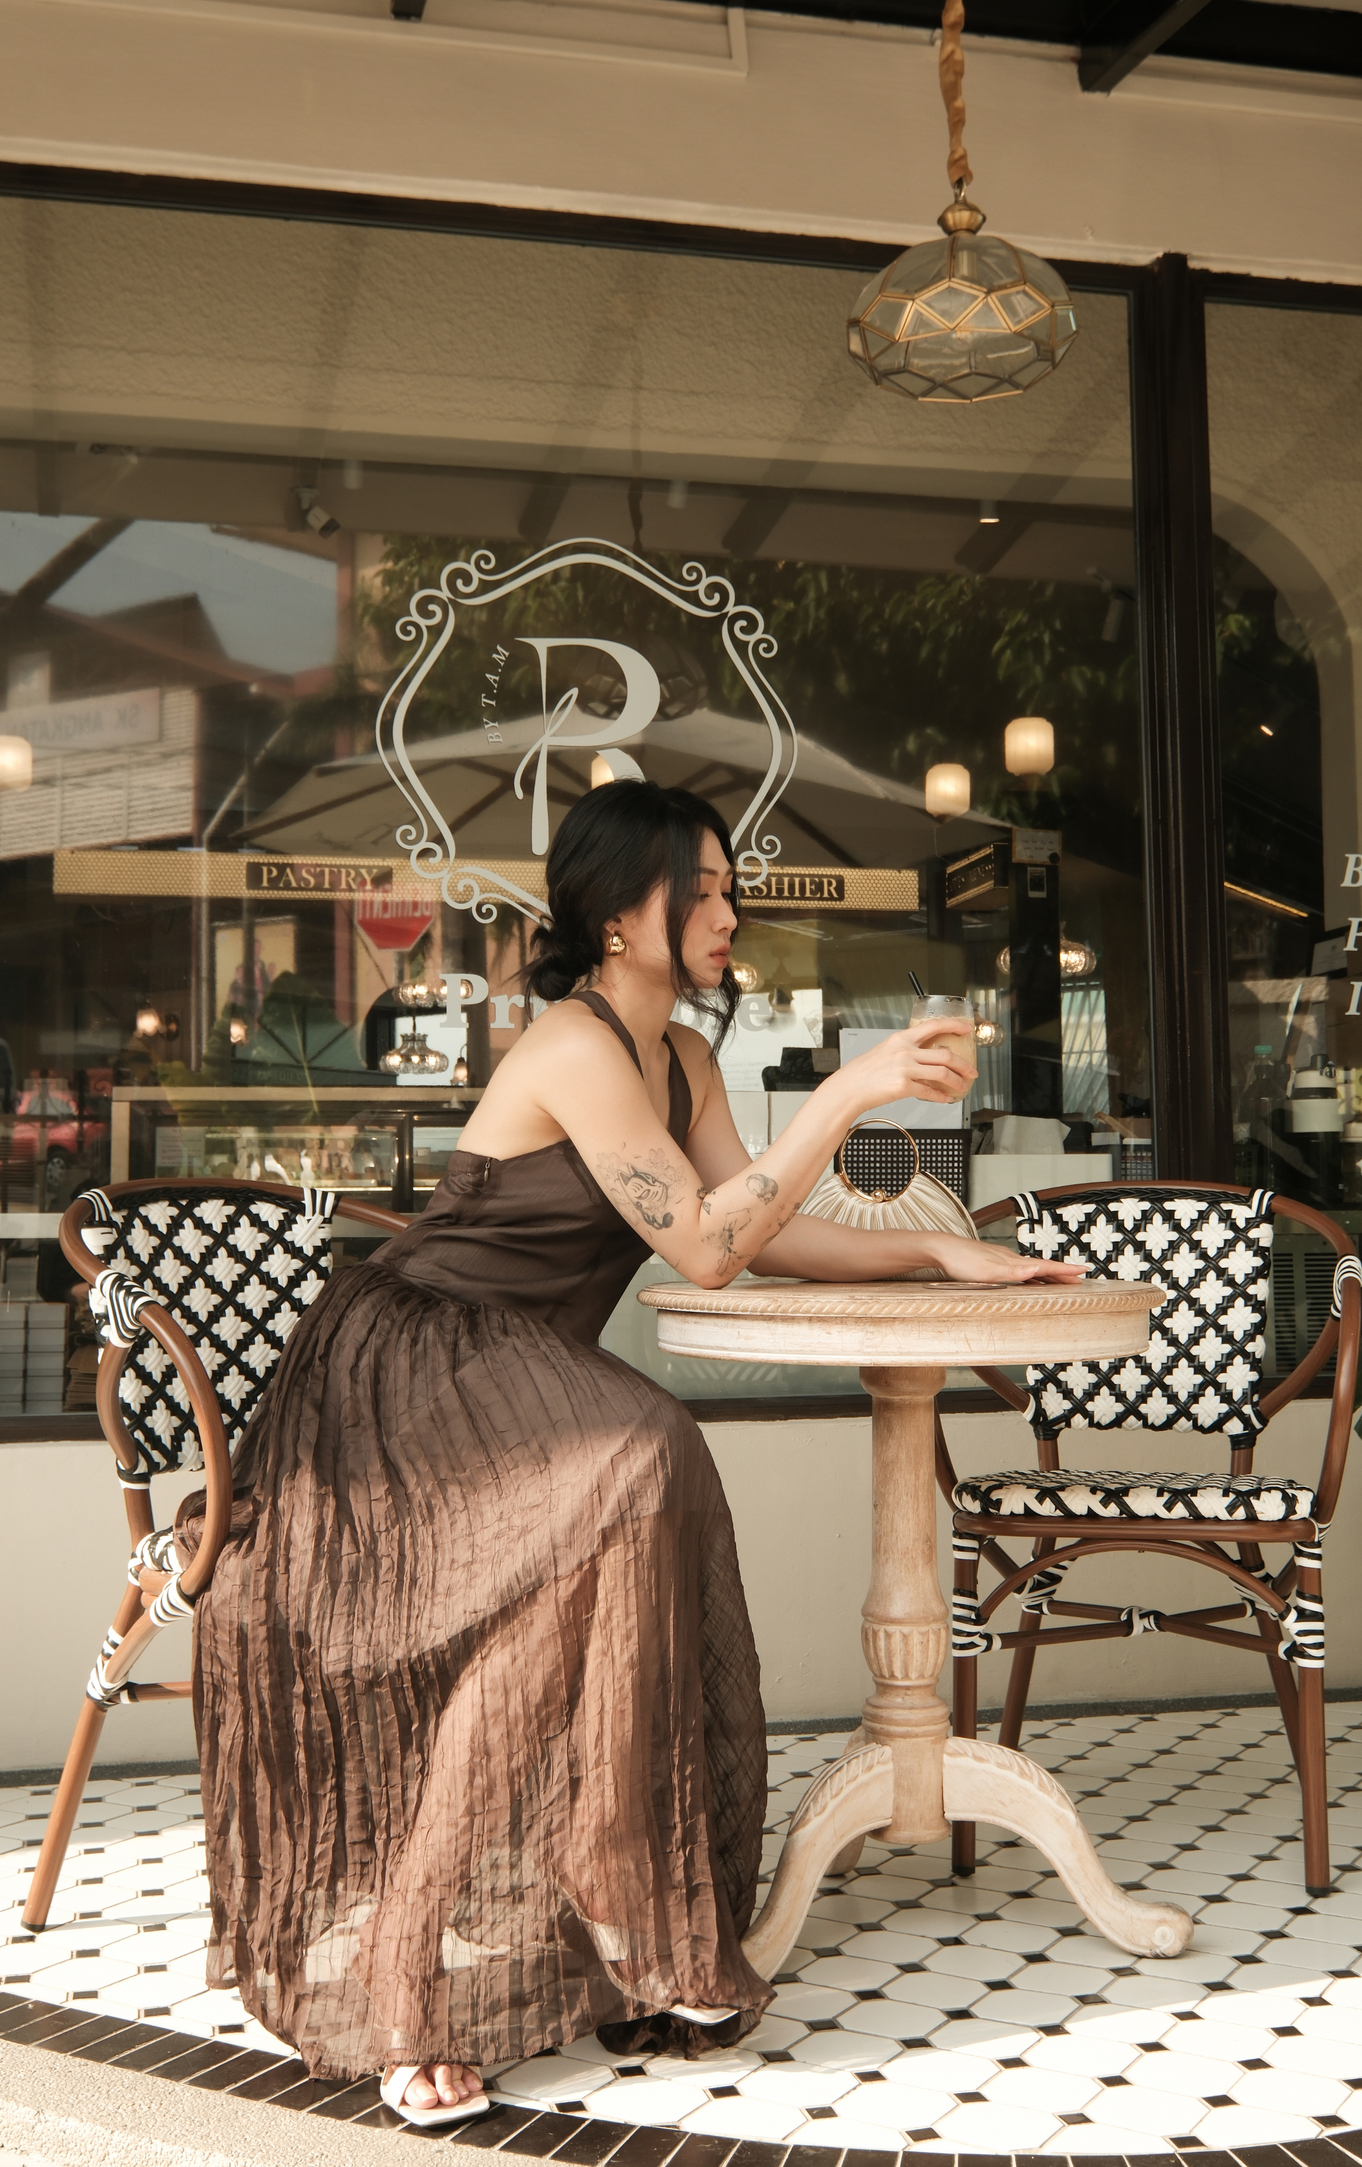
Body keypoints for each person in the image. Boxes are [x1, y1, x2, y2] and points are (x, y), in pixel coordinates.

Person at [185, 781, 1084, 2127]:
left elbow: (758, 1226)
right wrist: (849, 1091)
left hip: (514, 1390)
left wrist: (940, 1250)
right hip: (410, 1375)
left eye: (730, 887)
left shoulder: (687, 1060)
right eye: (700, 889)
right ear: (618, 914)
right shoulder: (575, 1043)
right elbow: (707, 1246)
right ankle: (584, 1889)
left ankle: (482, 1926)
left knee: (594, 1537)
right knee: (643, 1447)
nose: (729, 911)